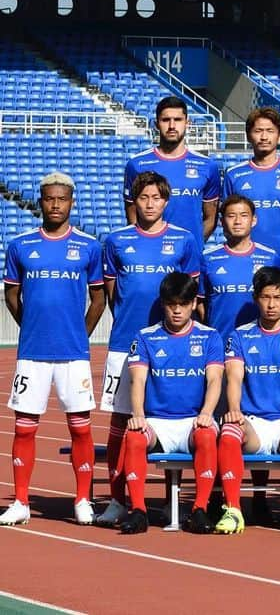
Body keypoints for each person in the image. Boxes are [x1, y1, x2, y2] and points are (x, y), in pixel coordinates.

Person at [95, 171, 201, 528]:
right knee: (121, 420)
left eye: (157, 197)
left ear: (166, 202)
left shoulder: (184, 241)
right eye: (143, 198)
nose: (150, 203)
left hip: (172, 344)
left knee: (175, 416)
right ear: (134, 202)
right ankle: (116, 498)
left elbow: (189, 293)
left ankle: (175, 499)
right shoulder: (116, 240)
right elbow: (113, 292)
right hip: (126, 342)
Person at [0, 173, 105, 527]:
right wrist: (30, 325)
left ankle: (82, 499)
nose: (55, 205)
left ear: (71, 202)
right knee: (24, 427)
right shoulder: (20, 245)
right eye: (49, 199)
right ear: (41, 201)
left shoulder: (89, 247)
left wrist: (80, 332)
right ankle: (21, 501)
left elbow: (98, 298)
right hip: (32, 353)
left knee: (80, 428)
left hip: (73, 354)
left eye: (62, 199)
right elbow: (12, 295)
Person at [115, 273, 223, 534]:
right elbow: (137, 381)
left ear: (194, 304)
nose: (177, 310)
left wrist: (207, 412)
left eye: (183, 304)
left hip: (193, 421)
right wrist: (138, 415)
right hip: (157, 422)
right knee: (134, 436)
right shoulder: (145, 338)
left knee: (207, 436)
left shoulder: (210, 337)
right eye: (171, 304)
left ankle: (199, 509)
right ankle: (139, 511)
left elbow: (215, 380)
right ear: (162, 304)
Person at [216, 267, 280, 535]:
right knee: (228, 432)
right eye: (265, 297)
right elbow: (235, 378)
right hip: (253, 423)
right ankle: (233, 509)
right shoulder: (239, 335)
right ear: (255, 298)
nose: (271, 304)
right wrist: (235, 410)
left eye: (277, 297)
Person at [223, 106, 280, 264]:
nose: (264, 137)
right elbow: (226, 221)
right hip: (246, 261)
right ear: (248, 136)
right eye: (258, 131)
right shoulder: (233, 174)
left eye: (270, 131)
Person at [124, 96, 221, 243]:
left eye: (177, 120)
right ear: (157, 124)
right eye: (165, 120)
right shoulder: (137, 165)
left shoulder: (208, 166)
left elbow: (211, 218)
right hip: (151, 252)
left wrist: (193, 246)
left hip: (190, 260)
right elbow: (132, 214)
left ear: (187, 123)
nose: (171, 126)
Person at [199, 195, 277, 343]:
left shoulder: (271, 257)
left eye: (244, 215)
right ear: (222, 222)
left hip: (260, 343)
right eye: (231, 216)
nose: (237, 221)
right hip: (220, 342)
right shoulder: (207, 258)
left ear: (254, 220)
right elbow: (201, 303)